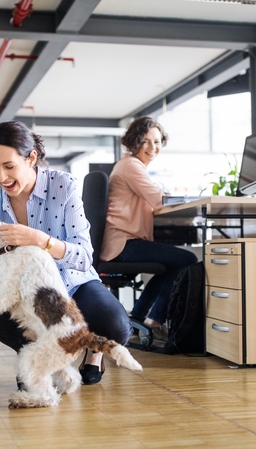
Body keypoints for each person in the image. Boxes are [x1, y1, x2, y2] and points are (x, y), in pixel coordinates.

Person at [0, 120, 131, 385]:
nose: (1, 177)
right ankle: (35, 358)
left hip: (73, 283)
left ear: (31, 158)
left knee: (115, 326)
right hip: (26, 293)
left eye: (9, 166)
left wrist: (41, 240)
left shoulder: (63, 186)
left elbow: (84, 256)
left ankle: (93, 354)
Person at [100, 116, 198, 339]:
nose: (153, 148)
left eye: (157, 142)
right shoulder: (131, 165)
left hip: (124, 241)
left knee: (170, 265)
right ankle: (154, 319)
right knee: (187, 260)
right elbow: (157, 199)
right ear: (135, 142)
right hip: (124, 243)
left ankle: (139, 317)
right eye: (146, 141)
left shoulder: (130, 166)